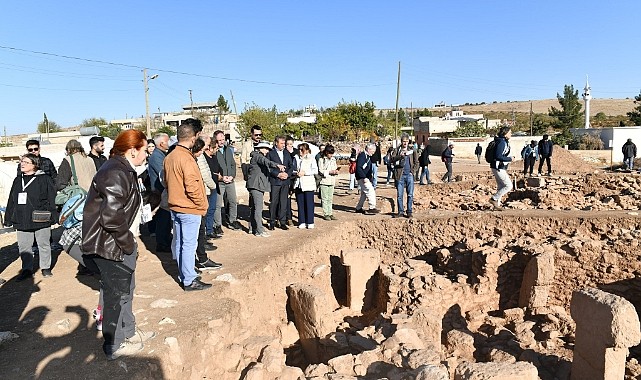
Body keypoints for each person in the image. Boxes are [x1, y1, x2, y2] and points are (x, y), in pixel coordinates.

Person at [81, 129, 156, 360]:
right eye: (145, 151)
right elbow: (111, 216)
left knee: (126, 291)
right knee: (115, 296)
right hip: (110, 245)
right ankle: (113, 345)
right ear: (133, 151)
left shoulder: (124, 169)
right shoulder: (115, 172)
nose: (147, 155)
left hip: (118, 242)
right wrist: (128, 244)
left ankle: (128, 332)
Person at [163, 120, 212, 291]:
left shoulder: (169, 157)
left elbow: (165, 181)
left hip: (175, 206)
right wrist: (202, 205)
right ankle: (189, 279)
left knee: (180, 242)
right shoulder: (187, 158)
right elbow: (192, 186)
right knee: (189, 244)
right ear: (192, 139)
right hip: (189, 208)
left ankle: (185, 273)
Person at [5, 153, 57, 281]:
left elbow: (52, 198)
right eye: (22, 161)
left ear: (35, 165)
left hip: (41, 218)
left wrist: (54, 215)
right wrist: (8, 217)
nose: (22, 164)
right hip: (22, 218)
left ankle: (45, 267)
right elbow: (11, 199)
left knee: (43, 244)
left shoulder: (44, 179)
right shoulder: (18, 180)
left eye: (26, 162)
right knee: (24, 246)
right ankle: (27, 269)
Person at [193, 138, 223, 271]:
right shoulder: (194, 158)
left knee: (199, 227)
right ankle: (198, 262)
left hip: (202, 193)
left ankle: (201, 257)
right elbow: (205, 174)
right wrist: (213, 186)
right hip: (200, 195)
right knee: (196, 230)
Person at [247, 141, 285, 237]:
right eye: (265, 148)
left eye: (267, 148)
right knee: (258, 208)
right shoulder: (257, 156)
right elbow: (265, 162)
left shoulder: (257, 156)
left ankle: (253, 228)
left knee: (255, 208)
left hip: (256, 185)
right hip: (256, 185)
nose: (266, 150)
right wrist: (277, 165)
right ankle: (260, 230)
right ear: (260, 148)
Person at [148, 133, 172, 252]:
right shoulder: (157, 156)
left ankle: (165, 240)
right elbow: (164, 173)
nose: (169, 143)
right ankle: (162, 243)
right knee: (163, 219)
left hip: (163, 191)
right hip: (160, 192)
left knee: (166, 219)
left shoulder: (161, 154)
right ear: (162, 143)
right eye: (168, 141)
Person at [214, 130, 242, 231]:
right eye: (219, 140)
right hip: (219, 182)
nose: (221, 142)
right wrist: (221, 177)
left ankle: (232, 220)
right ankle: (217, 224)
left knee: (233, 201)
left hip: (230, 180)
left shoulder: (229, 150)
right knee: (217, 205)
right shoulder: (213, 151)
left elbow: (233, 164)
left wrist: (232, 176)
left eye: (223, 139)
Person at [267, 135, 293, 230]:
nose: (283, 145)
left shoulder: (286, 153)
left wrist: (287, 174)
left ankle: (282, 221)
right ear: (276, 143)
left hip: (285, 181)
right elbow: (268, 167)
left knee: (283, 202)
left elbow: (291, 165)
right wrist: (277, 174)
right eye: (281, 143)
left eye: (284, 143)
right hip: (275, 181)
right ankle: (272, 221)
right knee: (274, 202)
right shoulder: (271, 154)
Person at [390, 133, 418, 218]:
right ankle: (400, 211)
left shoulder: (412, 150)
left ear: (408, 141)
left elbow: (416, 162)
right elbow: (392, 159)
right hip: (400, 175)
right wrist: (400, 156)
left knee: (410, 194)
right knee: (399, 195)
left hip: (409, 175)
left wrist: (412, 171)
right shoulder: (397, 150)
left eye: (406, 141)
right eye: (403, 141)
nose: (405, 143)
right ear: (401, 142)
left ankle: (409, 211)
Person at [293, 143, 318, 229]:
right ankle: (302, 221)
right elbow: (293, 168)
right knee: (300, 203)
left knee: (309, 203)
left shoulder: (311, 158)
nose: (300, 152)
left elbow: (315, 170)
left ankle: (310, 221)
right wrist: (295, 173)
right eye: (299, 150)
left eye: (302, 150)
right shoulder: (296, 158)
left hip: (308, 183)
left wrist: (305, 173)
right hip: (299, 183)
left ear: (307, 151)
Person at [489, 127, 515, 210]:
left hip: (497, 167)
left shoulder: (501, 141)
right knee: (508, 186)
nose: (511, 134)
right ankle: (494, 199)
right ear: (505, 133)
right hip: (498, 167)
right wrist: (510, 159)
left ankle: (497, 205)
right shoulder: (502, 142)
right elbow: (498, 156)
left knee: (500, 186)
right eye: (510, 132)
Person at [204, 137, 223, 239]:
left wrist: (220, 175)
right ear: (210, 148)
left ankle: (210, 230)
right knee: (206, 211)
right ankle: (206, 231)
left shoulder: (214, 157)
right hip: (207, 187)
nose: (216, 150)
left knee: (212, 209)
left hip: (215, 186)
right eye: (215, 148)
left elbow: (219, 168)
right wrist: (216, 176)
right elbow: (207, 173)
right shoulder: (203, 158)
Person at [355, 143, 380, 215]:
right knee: (370, 190)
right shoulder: (362, 156)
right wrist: (363, 177)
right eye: (373, 150)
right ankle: (372, 207)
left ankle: (358, 208)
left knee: (364, 193)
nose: (374, 152)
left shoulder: (367, 156)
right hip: (362, 178)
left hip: (365, 178)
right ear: (369, 149)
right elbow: (359, 168)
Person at [318, 145, 339, 221]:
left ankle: (330, 213)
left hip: (332, 180)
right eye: (330, 153)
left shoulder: (333, 159)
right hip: (324, 181)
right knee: (325, 198)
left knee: (330, 198)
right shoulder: (321, 160)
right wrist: (329, 172)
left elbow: (335, 167)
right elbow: (321, 170)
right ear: (326, 152)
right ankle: (326, 213)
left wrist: (336, 171)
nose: (331, 155)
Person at [284, 136, 298, 226]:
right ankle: (288, 217)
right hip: (286, 177)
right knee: (286, 198)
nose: (289, 146)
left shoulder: (296, 152)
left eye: (290, 144)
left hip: (295, 177)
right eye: (287, 144)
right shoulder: (283, 152)